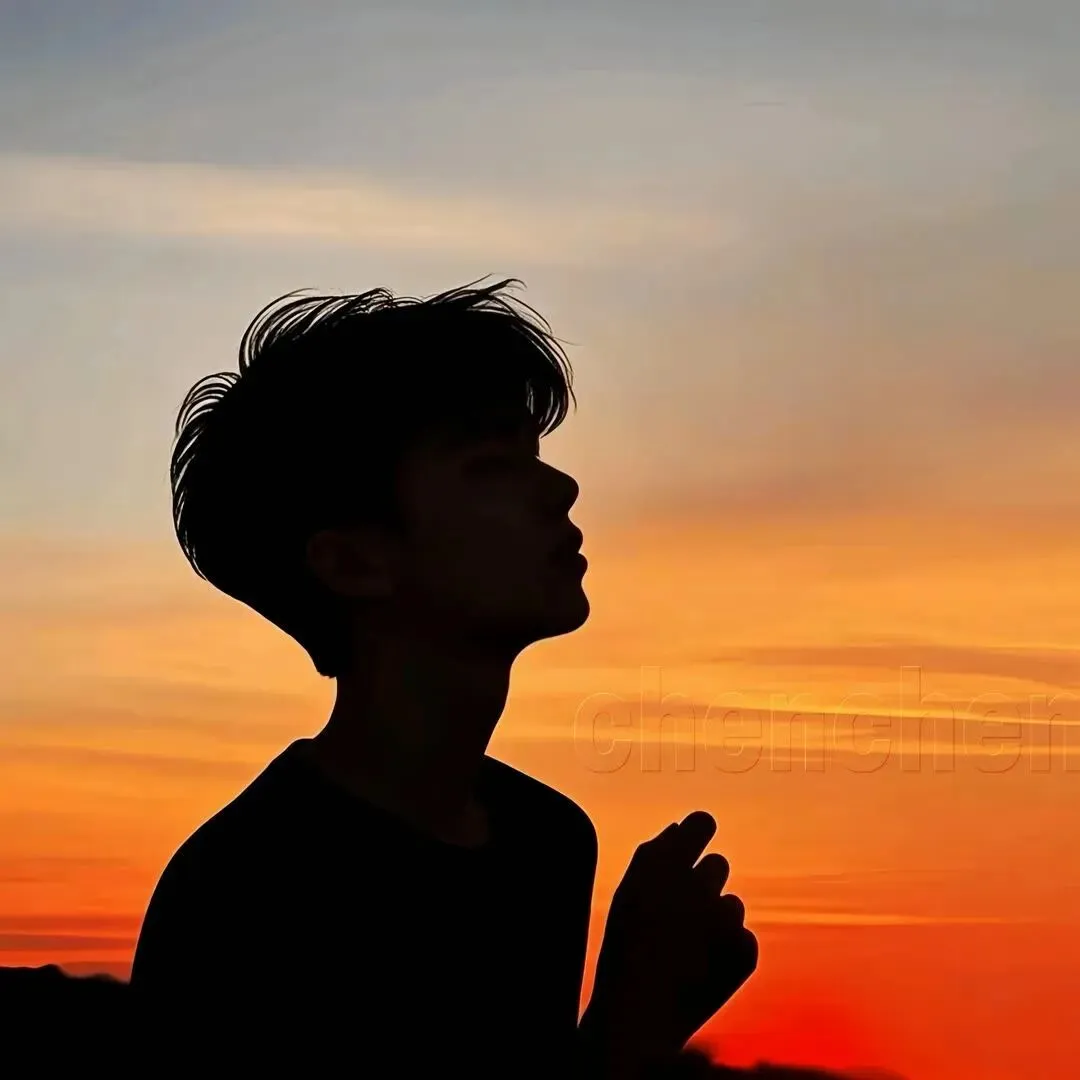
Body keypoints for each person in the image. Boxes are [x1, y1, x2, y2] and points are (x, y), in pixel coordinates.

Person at [129, 279, 757, 1077]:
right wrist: (634, 1023)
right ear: (354, 562)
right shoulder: (245, 892)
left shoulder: (546, 840)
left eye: (534, 457)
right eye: (490, 466)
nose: (560, 488)